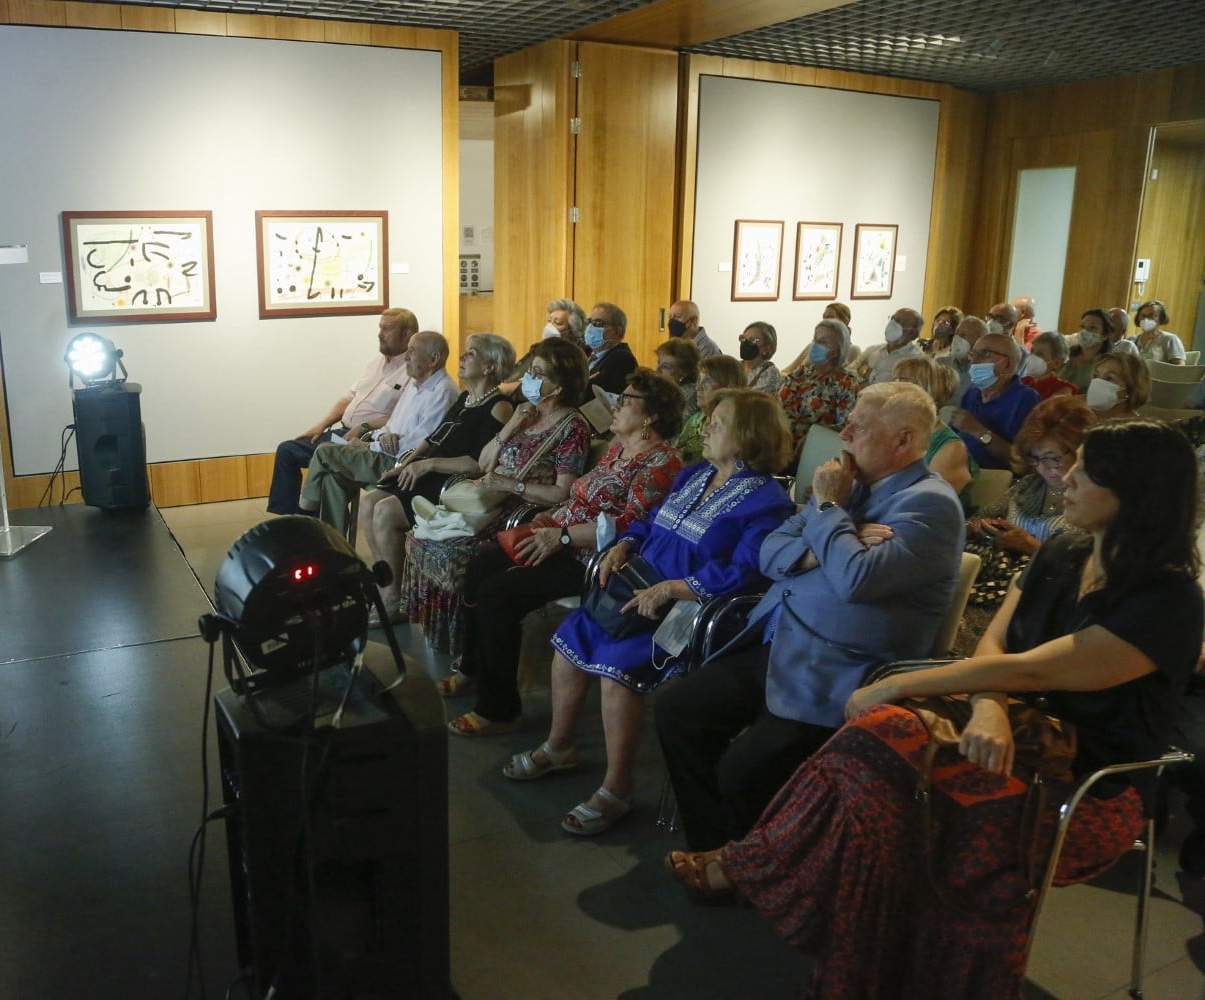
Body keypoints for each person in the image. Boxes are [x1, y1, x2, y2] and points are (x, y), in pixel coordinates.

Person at [668, 419, 1204, 1000]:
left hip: (1089, 781)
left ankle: (771, 884)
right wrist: (990, 708)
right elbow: (996, 644)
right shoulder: (1066, 549)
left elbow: (1037, 670)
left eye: (1087, 470)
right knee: (874, 771)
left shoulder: (1169, 600)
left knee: (887, 780)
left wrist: (901, 686)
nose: (1067, 478)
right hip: (1003, 731)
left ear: (1135, 491)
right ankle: (841, 949)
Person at [654, 382, 965, 851]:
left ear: (903, 440)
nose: (845, 434)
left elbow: (855, 578)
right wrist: (827, 544)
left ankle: (748, 860)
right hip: (781, 639)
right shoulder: (848, 485)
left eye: (860, 427)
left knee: (742, 769)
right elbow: (770, 551)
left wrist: (829, 511)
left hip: (841, 668)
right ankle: (721, 850)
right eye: (848, 423)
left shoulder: (928, 503)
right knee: (678, 710)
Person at [505, 389, 796, 835]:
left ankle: (616, 789)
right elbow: (648, 522)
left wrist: (673, 589)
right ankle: (560, 746)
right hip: (638, 589)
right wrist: (624, 544)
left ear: (748, 435)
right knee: (571, 640)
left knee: (615, 669)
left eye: (718, 423)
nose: (706, 428)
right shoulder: (695, 474)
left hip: (689, 609)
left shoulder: (767, 501)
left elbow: (746, 572)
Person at [444, 370, 684, 734]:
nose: (615, 406)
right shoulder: (618, 448)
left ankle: (498, 708)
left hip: (593, 560)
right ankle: (472, 668)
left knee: (499, 593)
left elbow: (629, 528)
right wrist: (549, 522)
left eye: (626, 400)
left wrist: (564, 537)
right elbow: (582, 498)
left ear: (650, 415)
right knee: (481, 564)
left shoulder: (660, 463)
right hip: (559, 536)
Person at [403, 338, 591, 651]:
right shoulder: (526, 413)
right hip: (490, 498)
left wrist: (510, 485)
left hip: (521, 511)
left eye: (538, 374)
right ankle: (447, 638)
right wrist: (510, 426)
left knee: (452, 552)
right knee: (421, 536)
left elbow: (562, 493)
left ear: (558, 387)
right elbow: (484, 462)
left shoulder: (572, 428)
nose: (529, 378)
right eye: (530, 371)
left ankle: (467, 645)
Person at [360, 334, 515, 618]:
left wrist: (429, 465)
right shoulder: (466, 398)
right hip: (429, 471)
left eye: (471, 353)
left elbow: (479, 464)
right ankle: (388, 585)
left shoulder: (500, 407)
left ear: (490, 366)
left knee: (384, 511)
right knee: (368, 503)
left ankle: (393, 599)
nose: (462, 357)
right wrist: (407, 463)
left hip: (453, 482)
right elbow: (434, 438)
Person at [295, 331, 457, 537]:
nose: (406, 357)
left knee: (324, 451)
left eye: (412, 351)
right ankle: (334, 543)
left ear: (433, 359)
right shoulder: (415, 385)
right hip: (383, 453)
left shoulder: (443, 391)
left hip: (400, 465)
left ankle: (304, 514)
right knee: (332, 479)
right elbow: (391, 424)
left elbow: (421, 443)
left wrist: (370, 445)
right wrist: (381, 436)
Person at [266, 308, 417, 514]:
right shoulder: (375, 362)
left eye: (387, 329)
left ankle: (309, 517)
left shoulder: (412, 371)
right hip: (342, 433)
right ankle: (290, 518)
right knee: (287, 451)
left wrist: (364, 426)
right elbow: (348, 397)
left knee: (327, 471)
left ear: (407, 334)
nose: (380, 334)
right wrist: (322, 424)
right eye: (380, 328)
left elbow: (400, 419)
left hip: (367, 438)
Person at [965, 395, 1095, 609]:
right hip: (995, 591)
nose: (1042, 468)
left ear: (1080, 452)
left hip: (1046, 602)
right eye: (1035, 458)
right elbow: (975, 520)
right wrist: (979, 527)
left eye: (1052, 458)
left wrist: (1031, 547)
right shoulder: (1029, 485)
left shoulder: (1095, 501)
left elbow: (1089, 574)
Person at [949, 332, 1040, 470]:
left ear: (1008, 364)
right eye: (973, 354)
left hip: (997, 479)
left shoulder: (1026, 399)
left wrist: (979, 431)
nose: (974, 361)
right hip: (959, 471)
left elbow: (1024, 463)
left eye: (985, 354)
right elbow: (951, 436)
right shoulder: (973, 393)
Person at [892, 355, 976, 503]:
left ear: (926, 390)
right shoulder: (896, 433)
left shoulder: (951, 448)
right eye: (894, 380)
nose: (892, 387)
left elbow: (926, 504)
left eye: (903, 381)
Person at [778, 317, 860, 454]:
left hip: (810, 448)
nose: (814, 345)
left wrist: (814, 436)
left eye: (822, 342)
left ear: (836, 351)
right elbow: (778, 401)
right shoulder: (802, 372)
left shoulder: (847, 382)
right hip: (777, 439)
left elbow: (845, 426)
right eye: (814, 339)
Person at [674, 355, 745, 464]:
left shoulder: (734, 424)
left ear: (727, 385)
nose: (698, 387)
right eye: (699, 379)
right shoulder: (696, 419)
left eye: (708, 381)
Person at [505, 298, 586, 391]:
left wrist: (507, 389)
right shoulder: (538, 350)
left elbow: (543, 386)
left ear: (572, 331)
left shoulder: (572, 360)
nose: (549, 326)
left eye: (557, 322)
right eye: (549, 321)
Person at [852, 308, 925, 385]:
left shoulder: (918, 361)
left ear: (913, 333)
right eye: (892, 318)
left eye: (900, 321)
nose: (892, 323)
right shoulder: (873, 349)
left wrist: (865, 372)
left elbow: (898, 388)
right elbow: (850, 371)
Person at [584, 301, 638, 393]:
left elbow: (591, 392)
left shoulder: (622, 358)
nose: (590, 327)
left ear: (617, 331)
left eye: (598, 323)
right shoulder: (585, 353)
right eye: (589, 321)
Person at [1056, 308, 1113, 392]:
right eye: (1082, 327)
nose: (1085, 331)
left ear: (1105, 335)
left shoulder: (1107, 363)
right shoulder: (1066, 353)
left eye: (1092, 327)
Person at [1086, 351, 1149, 421]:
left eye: (1109, 378)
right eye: (1095, 376)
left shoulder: (1135, 426)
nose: (1097, 383)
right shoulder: (1084, 417)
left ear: (1130, 389)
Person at [654, 338, 702, 419]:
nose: (657, 370)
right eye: (658, 363)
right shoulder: (667, 392)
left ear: (683, 373)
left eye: (665, 367)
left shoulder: (688, 396)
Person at [1022, 331, 1077, 400]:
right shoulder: (1023, 381)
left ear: (1056, 363)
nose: (1033, 356)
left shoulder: (1062, 389)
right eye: (1032, 351)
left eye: (1040, 354)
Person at [1131, 299, 1185, 364]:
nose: (1146, 319)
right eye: (1143, 315)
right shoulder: (1132, 340)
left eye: (1151, 316)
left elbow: (1180, 366)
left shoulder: (1170, 339)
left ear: (1161, 318)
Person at [737, 321, 782, 395]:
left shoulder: (770, 373)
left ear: (766, 348)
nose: (745, 343)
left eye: (752, 340)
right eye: (743, 338)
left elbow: (753, 399)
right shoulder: (734, 366)